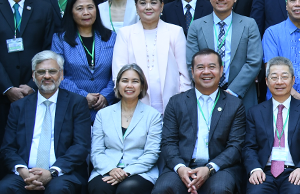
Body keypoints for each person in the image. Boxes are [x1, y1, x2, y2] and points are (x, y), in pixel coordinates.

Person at [152, 49, 246, 194]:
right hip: (183, 165)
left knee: (220, 189)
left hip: (219, 167)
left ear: (221, 71)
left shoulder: (234, 104)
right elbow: (168, 142)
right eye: (200, 67)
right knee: (164, 189)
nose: (206, 72)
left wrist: (209, 168)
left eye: (212, 67)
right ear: (192, 71)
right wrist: (181, 168)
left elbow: (235, 146)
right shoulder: (177, 102)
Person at [0, 50, 91, 193]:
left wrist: (52, 172)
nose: (47, 76)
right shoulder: (19, 106)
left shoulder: (77, 104)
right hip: (25, 174)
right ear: (33, 75)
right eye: (41, 72)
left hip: (63, 173)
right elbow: (8, 147)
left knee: (58, 190)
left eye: (52, 71)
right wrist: (22, 170)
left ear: (61, 75)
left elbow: (81, 146)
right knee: (4, 188)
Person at [0, 0, 55, 150]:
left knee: (31, 143)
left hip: (35, 89)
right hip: (2, 91)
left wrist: (33, 84)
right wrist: (7, 88)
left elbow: (49, 48)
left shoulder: (43, 8)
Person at [244, 57, 300, 194]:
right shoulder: (255, 112)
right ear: (267, 81)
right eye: (274, 77)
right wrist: (255, 168)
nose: (279, 82)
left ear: (293, 80)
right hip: (264, 172)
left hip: (294, 170)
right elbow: (249, 146)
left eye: (284, 77)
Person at [186, 0, 263, 109]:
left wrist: (232, 92)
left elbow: (254, 62)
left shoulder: (249, 24)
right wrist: (210, 90)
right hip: (206, 96)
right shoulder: (196, 26)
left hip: (241, 96)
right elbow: (191, 63)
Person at [112, 0, 191, 114]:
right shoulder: (125, 33)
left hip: (172, 105)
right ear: (136, 7)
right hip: (134, 105)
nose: (148, 7)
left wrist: (181, 101)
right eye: (143, 3)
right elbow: (118, 72)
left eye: (153, 3)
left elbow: (185, 74)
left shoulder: (175, 31)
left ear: (162, 6)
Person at [88, 64, 162, 194]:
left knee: (127, 189)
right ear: (117, 85)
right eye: (124, 81)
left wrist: (127, 172)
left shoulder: (153, 116)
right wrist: (111, 169)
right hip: (106, 169)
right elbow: (97, 151)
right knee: (100, 188)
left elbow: (151, 153)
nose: (129, 85)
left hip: (140, 171)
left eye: (135, 81)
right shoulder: (103, 114)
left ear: (142, 86)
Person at [51, 0, 116, 121]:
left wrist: (104, 96)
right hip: (73, 106)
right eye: (79, 8)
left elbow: (117, 71)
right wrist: (83, 96)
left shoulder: (111, 37)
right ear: (71, 12)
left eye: (90, 7)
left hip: (106, 108)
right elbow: (58, 73)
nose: (86, 12)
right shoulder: (60, 39)